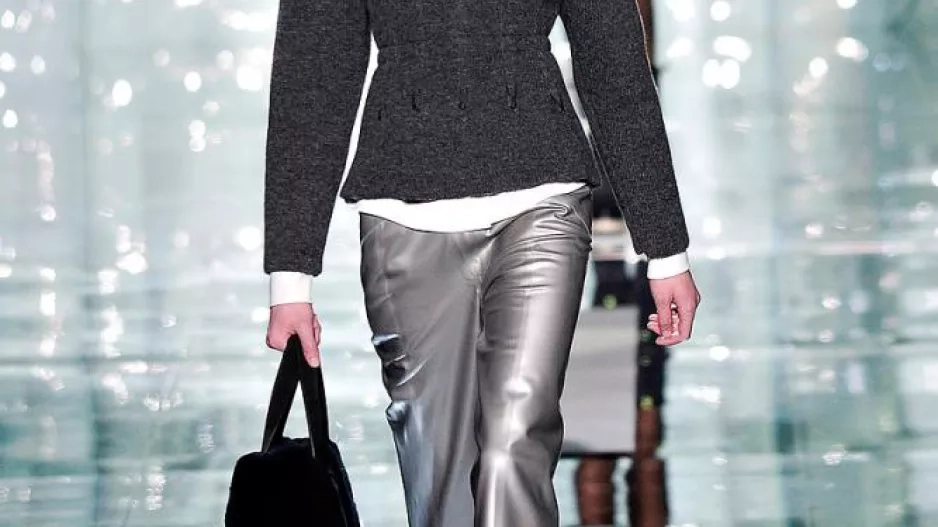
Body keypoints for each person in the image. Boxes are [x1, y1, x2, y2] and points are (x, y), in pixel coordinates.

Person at [262, 0, 701, 525]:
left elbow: (613, 61)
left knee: (516, 443)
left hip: (542, 200)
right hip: (403, 214)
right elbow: (313, 72)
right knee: (440, 473)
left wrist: (665, 248)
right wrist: (290, 279)